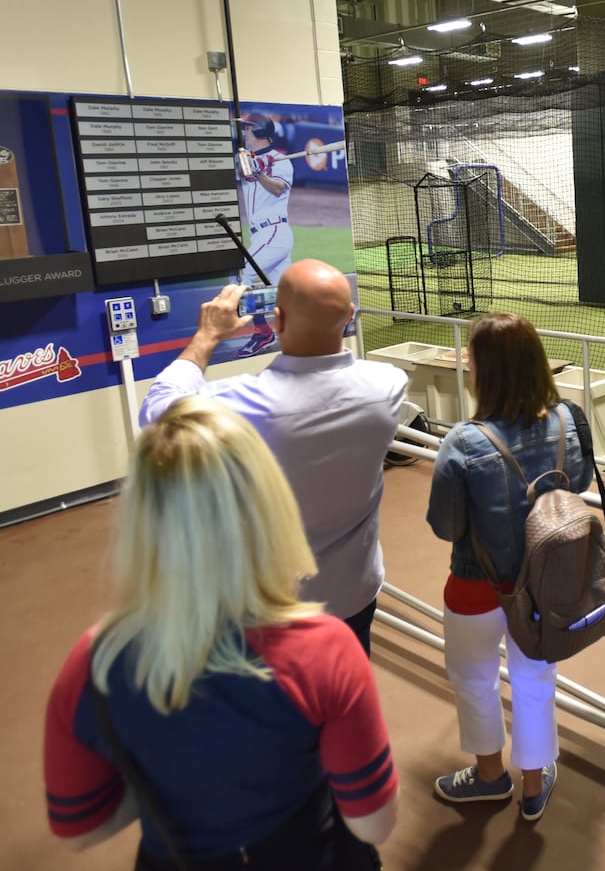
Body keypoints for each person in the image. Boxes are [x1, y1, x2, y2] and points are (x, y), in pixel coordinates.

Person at [43, 396, 399, 868]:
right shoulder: (323, 649)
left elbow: (79, 827)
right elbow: (372, 823)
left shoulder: (94, 664)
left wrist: (168, 793)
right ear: (267, 506)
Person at [139, 260, 407, 655]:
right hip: (353, 595)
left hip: (267, 611)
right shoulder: (387, 385)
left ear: (277, 320)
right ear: (350, 316)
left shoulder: (238, 404)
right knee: (342, 707)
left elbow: (156, 413)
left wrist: (208, 335)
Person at [425, 312, 595, 823]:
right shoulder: (569, 419)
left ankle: (488, 777)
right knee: (536, 680)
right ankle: (533, 785)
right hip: (547, 586)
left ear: (485, 370)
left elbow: (445, 526)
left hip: (476, 587)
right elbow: (579, 483)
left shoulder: (464, 441)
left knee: (474, 679)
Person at [235, 115, 295, 357]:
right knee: (285, 294)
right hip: (260, 235)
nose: (244, 134)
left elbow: (278, 188)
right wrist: (253, 165)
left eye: (248, 129)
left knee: (241, 282)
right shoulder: (249, 159)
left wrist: (261, 172)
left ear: (260, 131)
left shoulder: (282, 161)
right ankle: (331, 316)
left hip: (273, 232)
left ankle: (263, 333)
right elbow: (242, 172)